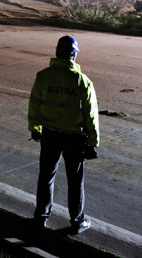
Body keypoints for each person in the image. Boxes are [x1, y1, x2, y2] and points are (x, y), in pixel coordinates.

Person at [28, 35, 99, 234]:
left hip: (50, 135)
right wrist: (93, 142)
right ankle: (77, 222)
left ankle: (41, 218)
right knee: (75, 181)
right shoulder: (82, 81)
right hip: (74, 139)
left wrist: (35, 128)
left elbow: (34, 104)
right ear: (73, 55)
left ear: (57, 52)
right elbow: (90, 115)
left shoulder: (43, 76)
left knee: (46, 177)